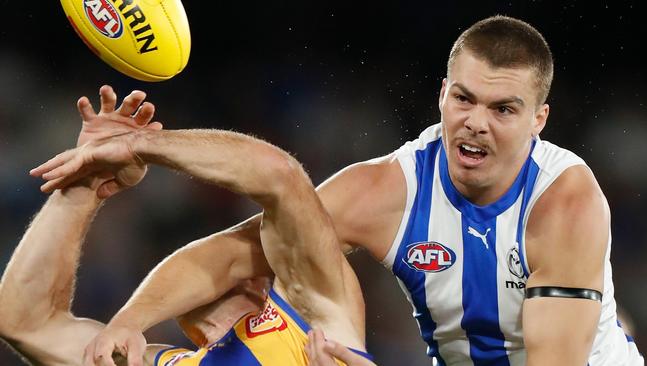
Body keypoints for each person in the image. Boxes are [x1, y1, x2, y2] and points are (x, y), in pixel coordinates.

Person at [27, 14, 647, 365]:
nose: (475, 122)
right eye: (463, 98)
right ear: (442, 93)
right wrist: (129, 322)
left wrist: (145, 146)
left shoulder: (564, 200)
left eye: (504, 109)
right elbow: (228, 256)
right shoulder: (387, 192)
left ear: (539, 120)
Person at [0, 85, 374, 365]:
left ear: (261, 287)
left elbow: (280, 176)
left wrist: (141, 143)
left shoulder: (317, 323)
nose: (214, 264)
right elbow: (25, 322)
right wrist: (88, 181)